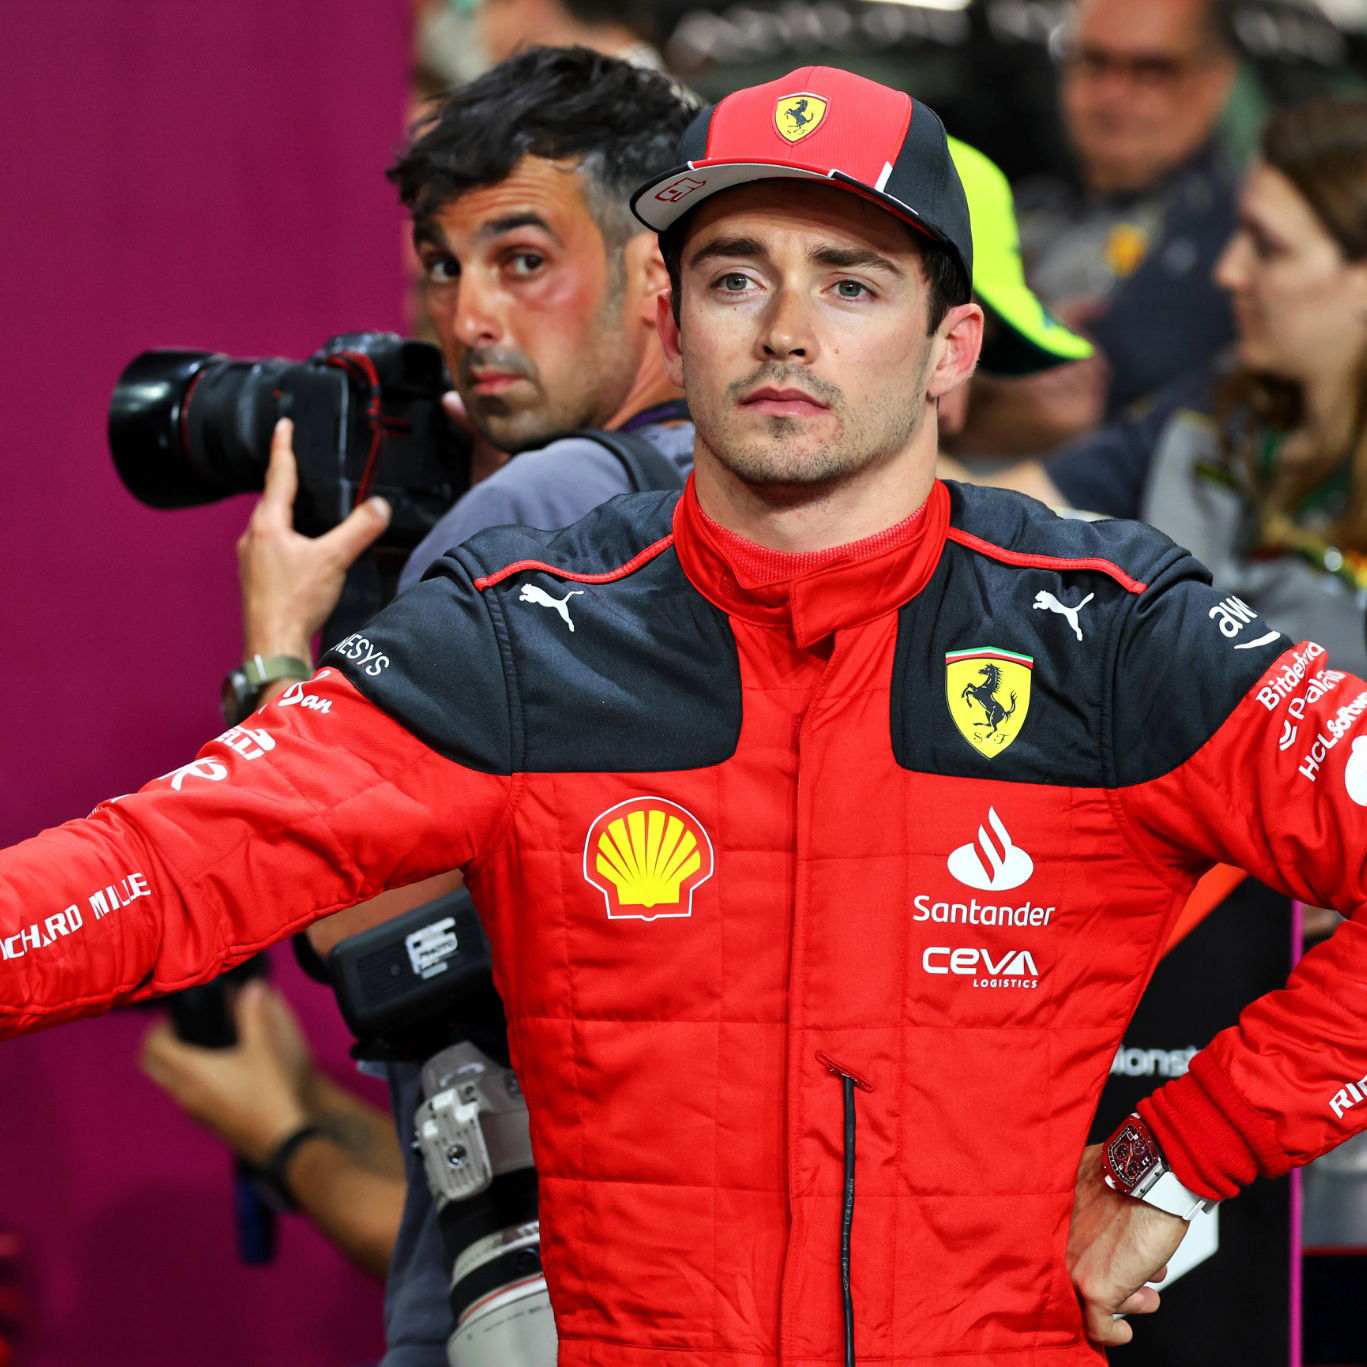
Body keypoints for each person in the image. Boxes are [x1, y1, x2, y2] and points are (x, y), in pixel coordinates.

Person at [6, 64, 1367, 1365]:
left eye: (847, 282)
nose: (784, 327)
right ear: (672, 313)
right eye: (735, 277)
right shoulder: (524, 631)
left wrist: (1181, 1152)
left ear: (951, 343)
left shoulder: (1105, 634)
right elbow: (162, 863)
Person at [212, 44, 698, 1366]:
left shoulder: (529, 515)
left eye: (522, 259)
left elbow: (359, 926)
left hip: (519, 1267)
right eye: (444, 262)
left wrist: (275, 652)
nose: (469, 313)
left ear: (655, 272)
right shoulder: (782, 496)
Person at [960, 95, 1367, 679]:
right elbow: (996, 516)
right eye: (1237, 233)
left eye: (1268, 247)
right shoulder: (1221, 407)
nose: (1229, 271)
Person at [955, 0, 1240, 457]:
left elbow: (1073, 411)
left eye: (1151, 70)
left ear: (1215, 82)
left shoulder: (1235, 240)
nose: (1113, 94)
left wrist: (962, 371)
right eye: (1094, 63)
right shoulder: (1024, 209)